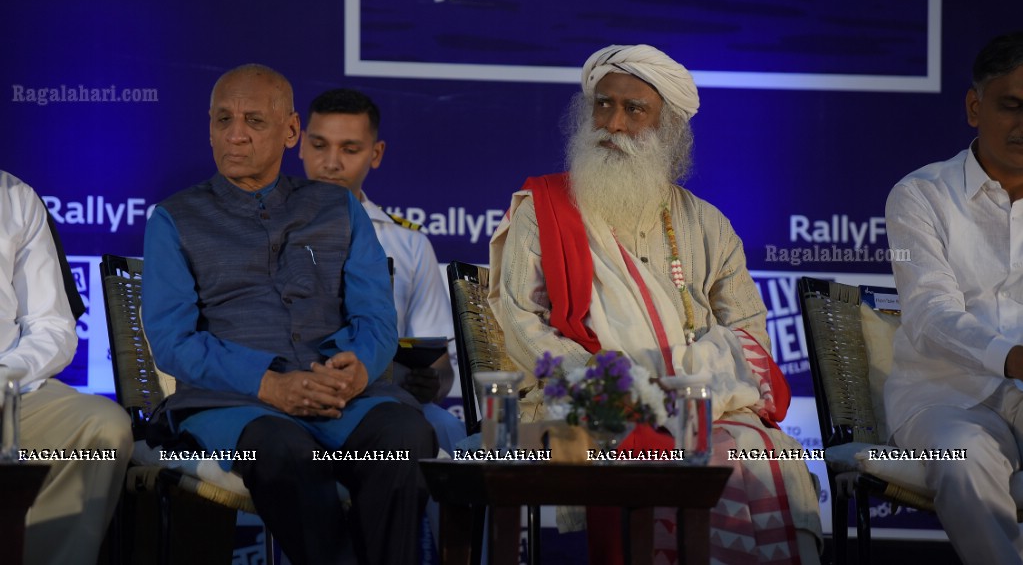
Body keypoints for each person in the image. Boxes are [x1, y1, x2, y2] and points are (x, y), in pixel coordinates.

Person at [489, 44, 821, 564]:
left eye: (634, 110)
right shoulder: (543, 210)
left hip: (700, 405)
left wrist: (692, 381)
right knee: (653, 447)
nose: (613, 124)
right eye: (603, 105)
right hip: (584, 399)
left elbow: (750, 334)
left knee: (752, 454)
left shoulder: (706, 224)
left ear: (669, 130)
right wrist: (614, 387)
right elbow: (520, 320)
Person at [142, 64, 436, 565]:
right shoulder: (175, 218)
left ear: (291, 130)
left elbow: (376, 318)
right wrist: (269, 385)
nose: (235, 135)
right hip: (234, 405)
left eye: (254, 120)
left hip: (341, 399)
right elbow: (173, 341)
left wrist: (357, 367)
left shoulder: (339, 210)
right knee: (282, 448)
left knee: (405, 436)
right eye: (222, 119)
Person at [885, 31, 1023, 565]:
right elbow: (927, 312)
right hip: (944, 398)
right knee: (963, 462)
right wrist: (1009, 357)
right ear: (974, 106)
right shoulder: (920, 195)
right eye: (1012, 105)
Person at [299, 88, 464, 453]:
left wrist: (431, 382)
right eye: (320, 145)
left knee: (446, 430)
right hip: (293, 401)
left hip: (386, 404)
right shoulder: (266, 231)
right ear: (300, 144)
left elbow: (440, 365)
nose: (331, 163)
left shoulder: (409, 245)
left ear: (376, 154)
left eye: (350, 149)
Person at [0, 169, 133, 565]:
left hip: (11, 394)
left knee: (102, 432)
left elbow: (52, 325)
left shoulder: (16, 197)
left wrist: (5, 381)